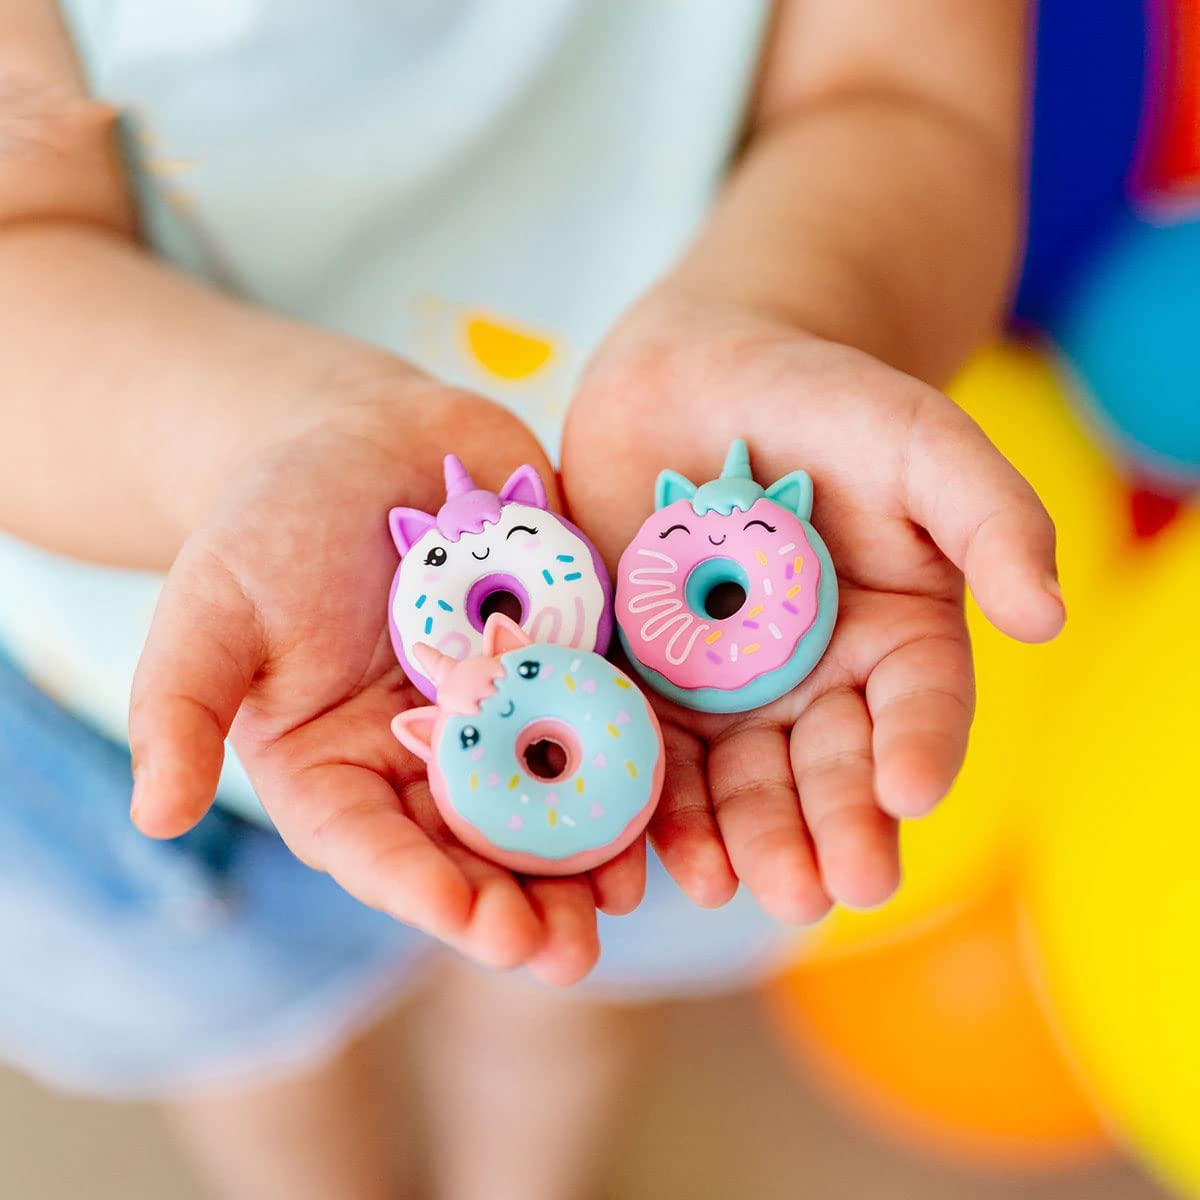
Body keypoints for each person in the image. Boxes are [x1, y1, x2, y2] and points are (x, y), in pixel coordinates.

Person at [0, 2, 1063, 1197]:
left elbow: (904, 97)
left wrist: (790, 316)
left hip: (685, 711)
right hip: (129, 669)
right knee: (259, 1058)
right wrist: (281, 437)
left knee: (561, 996)